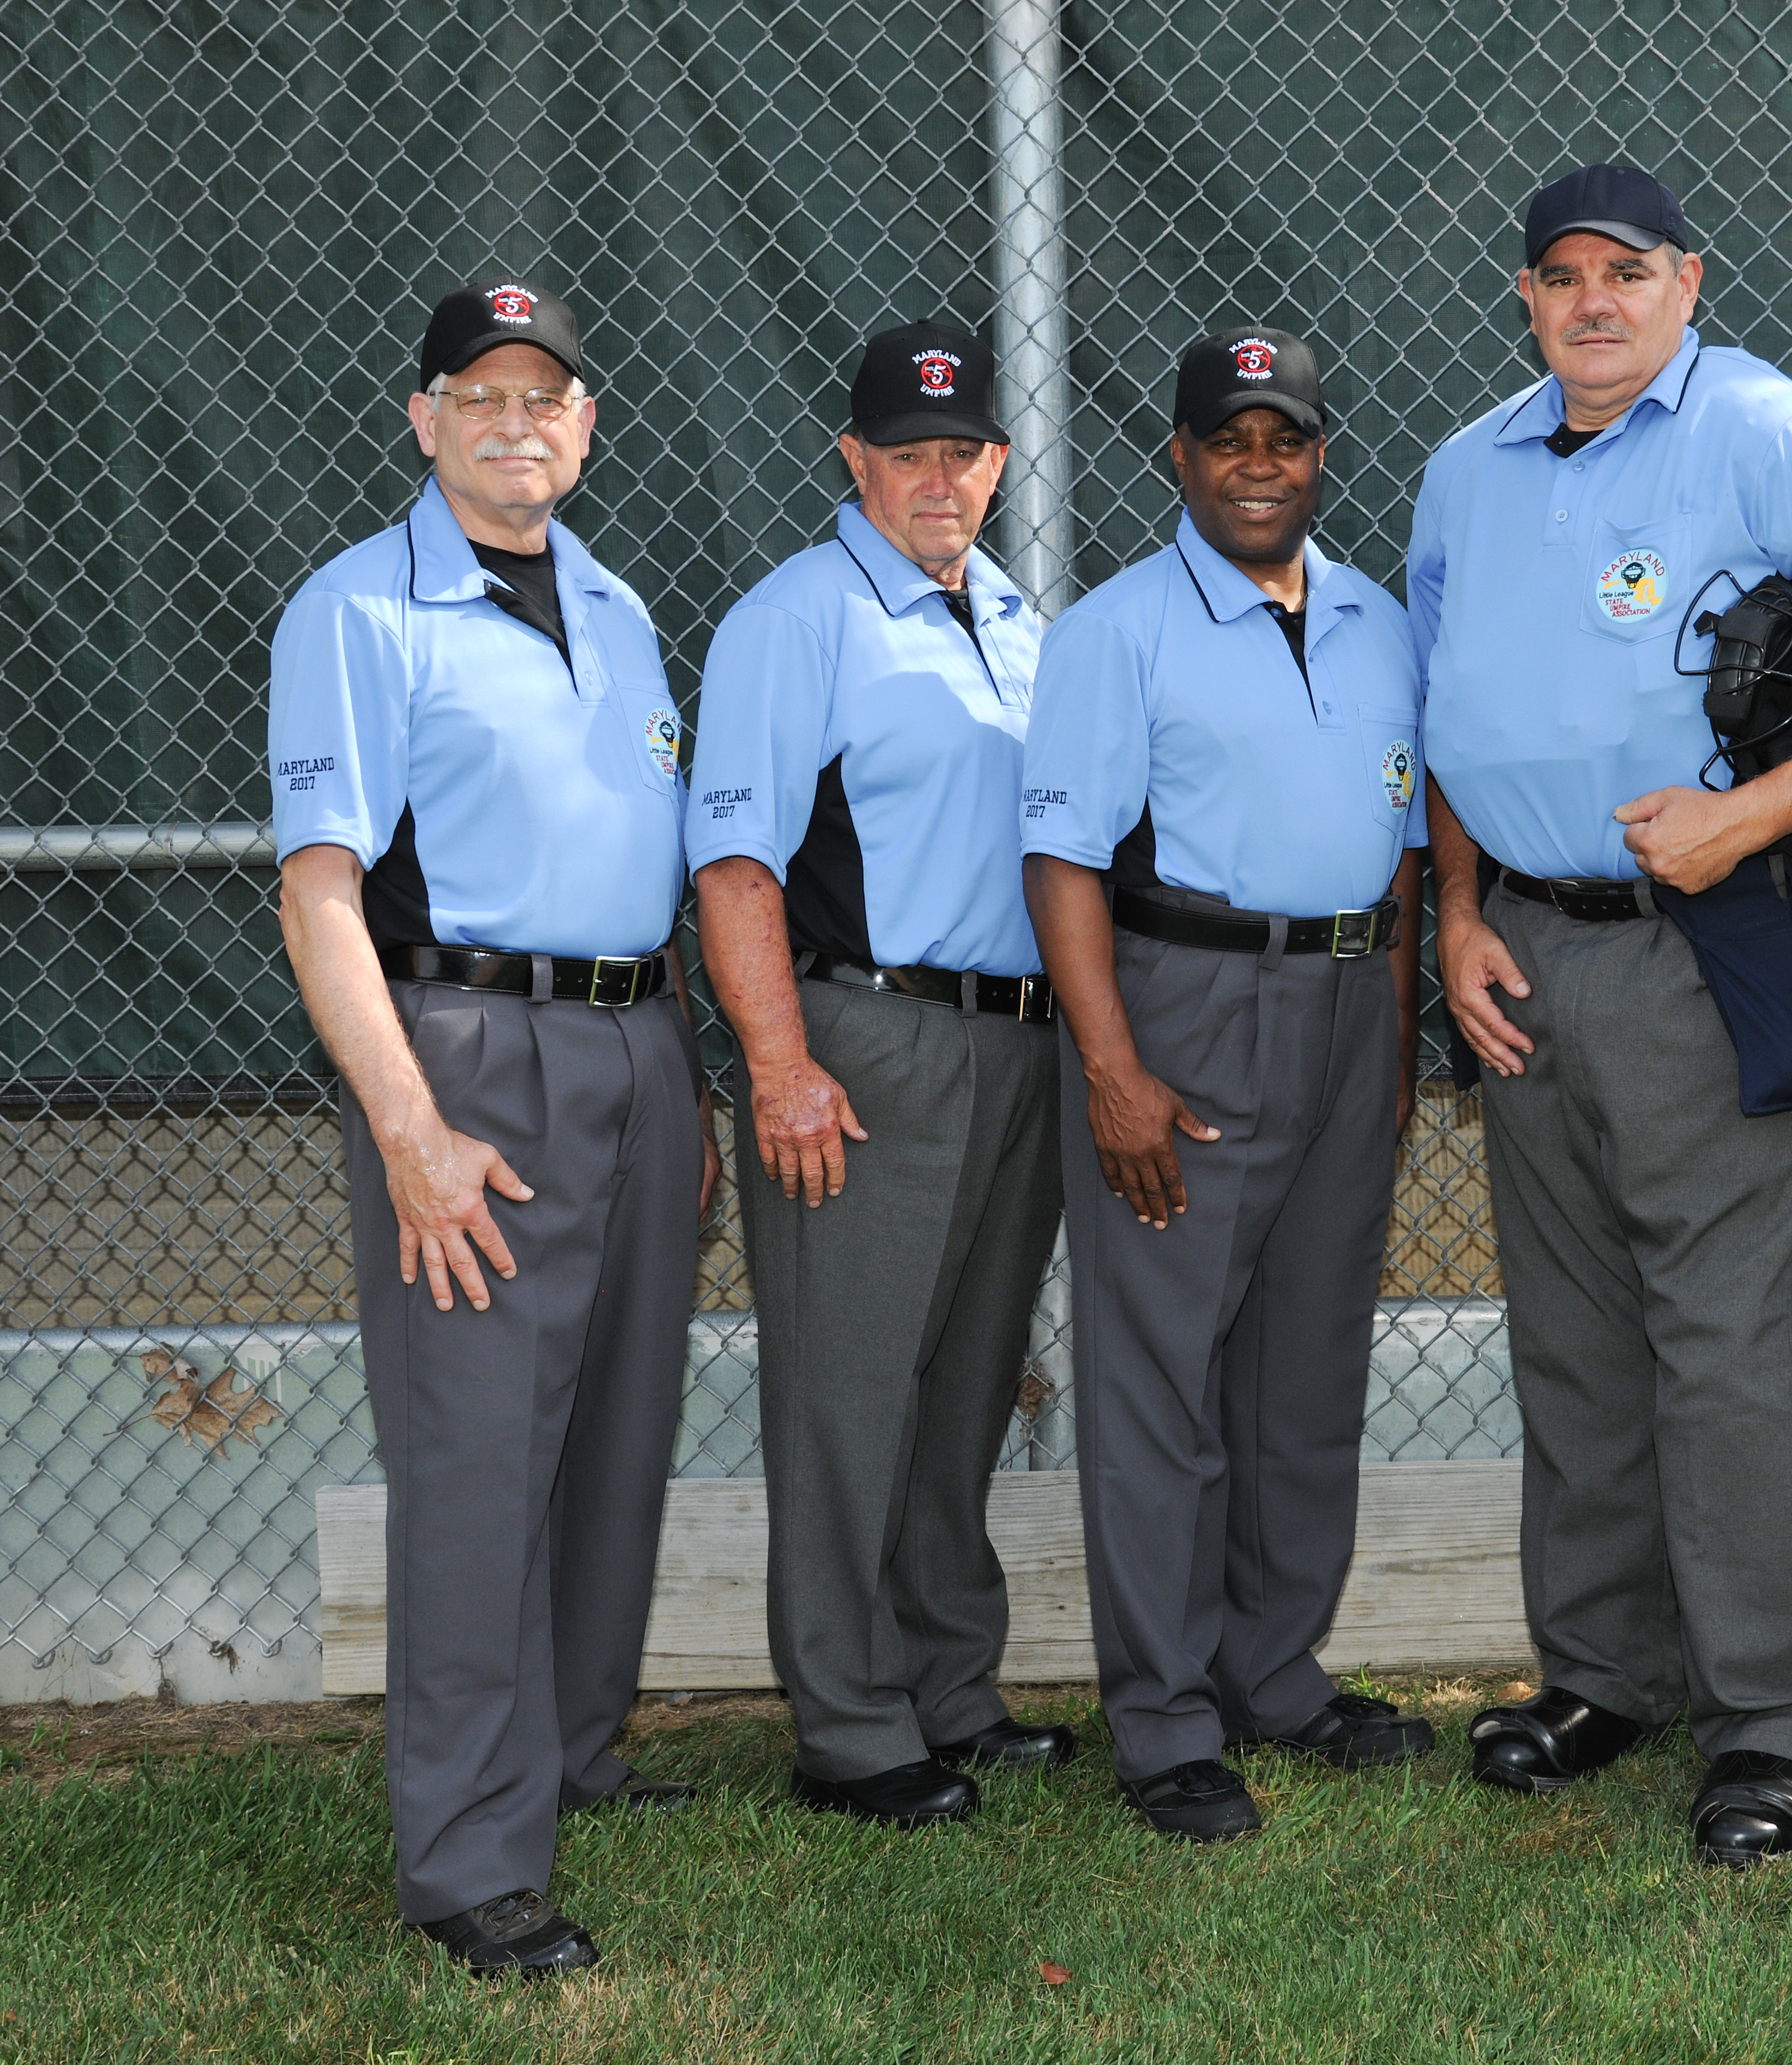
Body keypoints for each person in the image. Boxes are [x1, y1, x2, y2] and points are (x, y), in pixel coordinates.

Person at [1412, 164, 1792, 1867]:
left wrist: (1747, 812)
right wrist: (1452, 911)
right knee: (1576, 1351)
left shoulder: (1774, 435)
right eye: (1560, 275)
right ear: (1524, 295)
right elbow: (1443, 716)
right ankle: (1607, 1673)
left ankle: (1783, 1717)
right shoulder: (1468, 469)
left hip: (1709, 937)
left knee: (1724, 1359)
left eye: (1628, 271)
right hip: (1523, 947)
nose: (1593, 299)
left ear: (1688, 280)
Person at [269, 275, 714, 1975]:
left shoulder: (614, 602)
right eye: (482, 393)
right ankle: (468, 1855)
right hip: (467, 1049)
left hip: (633, 1039)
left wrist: (677, 1082)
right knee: (475, 1459)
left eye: (548, 396)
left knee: (614, 1429)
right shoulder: (359, 610)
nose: (518, 422)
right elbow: (320, 895)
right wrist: (409, 1129)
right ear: (425, 419)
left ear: (587, 426)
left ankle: (572, 1755)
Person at [1020, 327, 1430, 1843]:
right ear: (1180, 457)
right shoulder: (1117, 631)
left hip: (1346, 1005)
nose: (1259, 464)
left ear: (1322, 456)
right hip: (1184, 1001)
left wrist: (1388, 1037)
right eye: (1228, 438)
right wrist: (1111, 1065)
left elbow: (1396, 856)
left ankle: (1276, 1669)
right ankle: (1166, 1716)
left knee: (1303, 1373)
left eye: (1287, 438)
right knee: (1161, 1380)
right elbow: (1060, 859)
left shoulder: (1385, 622)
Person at [688, 321, 1073, 1829]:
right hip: (866, 1043)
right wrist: (777, 1064)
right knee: (850, 1394)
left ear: (994, 460)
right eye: (906, 451)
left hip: (1016, 1039)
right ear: (853, 459)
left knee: (965, 1380)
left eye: (963, 450)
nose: (939, 475)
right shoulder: (797, 618)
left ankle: (947, 1690)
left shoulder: (1012, 612)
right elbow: (733, 867)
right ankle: (849, 1728)